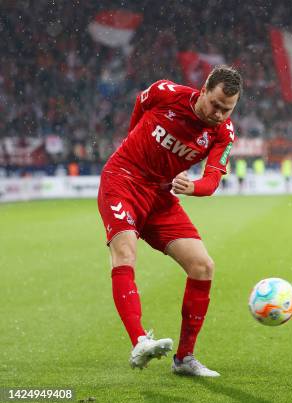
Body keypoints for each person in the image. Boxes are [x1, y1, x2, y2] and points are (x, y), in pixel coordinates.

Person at [97, 65, 242, 376]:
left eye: (226, 109)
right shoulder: (167, 93)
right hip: (123, 179)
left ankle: (185, 358)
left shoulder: (224, 132)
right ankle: (139, 341)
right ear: (203, 90)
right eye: (215, 104)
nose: (218, 114)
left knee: (203, 266)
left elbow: (213, 180)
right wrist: (133, 136)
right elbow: (141, 101)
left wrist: (193, 187)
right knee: (125, 253)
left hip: (160, 196)